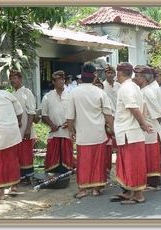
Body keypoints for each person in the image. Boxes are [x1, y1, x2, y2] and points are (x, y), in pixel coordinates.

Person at [66, 63, 114, 198]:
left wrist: (71, 131)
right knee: (98, 161)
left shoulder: (73, 93)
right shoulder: (100, 92)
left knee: (83, 162)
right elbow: (108, 114)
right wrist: (114, 130)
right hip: (98, 133)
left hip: (82, 134)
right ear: (94, 76)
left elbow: (70, 116)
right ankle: (96, 189)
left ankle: (82, 189)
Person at [110, 62, 152, 205]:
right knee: (127, 163)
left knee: (132, 164)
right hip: (130, 133)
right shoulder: (134, 87)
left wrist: (144, 124)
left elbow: (134, 108)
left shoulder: (126, 88)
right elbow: (144, 107)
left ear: (119, 74)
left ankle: (138, 195)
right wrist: (143, 123)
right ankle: (127, 191)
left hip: (130, 133)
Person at [133, 65, 161, 191]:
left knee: (151, 157)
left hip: (150, 131)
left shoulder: (148, 92)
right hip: (147, 129)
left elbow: (158, 113)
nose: (135, 78)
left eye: (137, 76)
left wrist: (154, 127)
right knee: (146, 156)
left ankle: (153, 184)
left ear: (144, 78)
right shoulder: (143, 91)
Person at [41, 70, 73, 174]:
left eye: (63, 79)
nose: (61, 81)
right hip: (54, 133)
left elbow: (75, 113)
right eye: (58, 79)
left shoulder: (70, 95)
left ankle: (65, 174)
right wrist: (51, 124)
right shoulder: (47, 97)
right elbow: (44, 115)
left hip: (66, 132)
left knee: (66, 155)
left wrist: (68, 123)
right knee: (53, 155)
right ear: (53, 82)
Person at [9, 69, 36, 186]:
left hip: (25, 129)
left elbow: (31, 112)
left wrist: (28, 128)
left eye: (14, 78)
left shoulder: (27, 92)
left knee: (26, 153)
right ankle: (19, 176)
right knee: (18, 153)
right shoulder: (11, 94)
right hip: (15, 131)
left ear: (20, 79)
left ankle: (27, 177)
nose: (12, 80)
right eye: (11, 78)